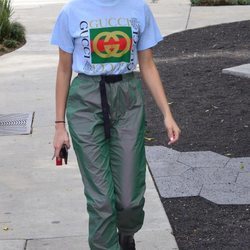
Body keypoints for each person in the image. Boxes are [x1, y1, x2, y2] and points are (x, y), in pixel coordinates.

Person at [51, 0, 181, 249]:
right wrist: (59, 126)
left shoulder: (138, 8)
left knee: (129, 200)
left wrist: (167, 113)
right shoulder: (71, 11)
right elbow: (64, 70)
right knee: (101, 200)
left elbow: (148, 64)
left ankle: (126, 233)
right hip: (86, 100)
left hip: (127, 97)